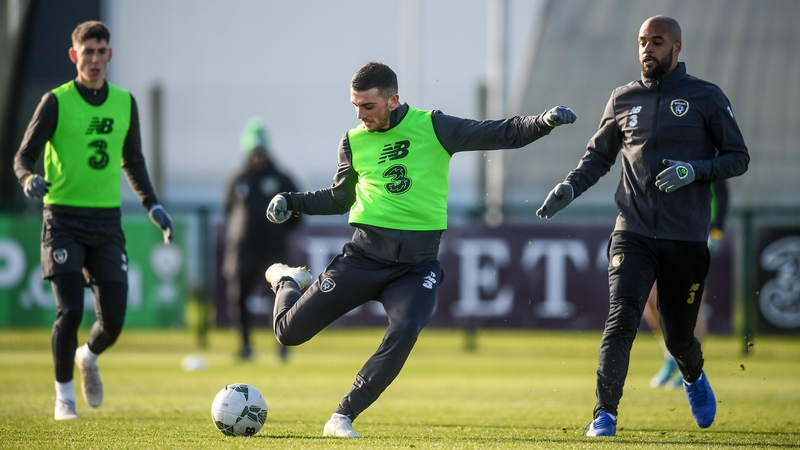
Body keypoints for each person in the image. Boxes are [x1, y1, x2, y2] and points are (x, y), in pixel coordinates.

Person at [264, 61, 576, 438]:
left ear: (393, 100)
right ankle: (286, 279)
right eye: (355, 106)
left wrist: (544, 121)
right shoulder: (353, 141)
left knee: (407, 326)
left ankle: (342, 416)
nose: (360, 115)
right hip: (363, 258)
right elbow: (339, 198)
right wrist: (291, 200)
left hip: (416, 266)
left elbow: (501, 133)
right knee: (288, 333)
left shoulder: (434, 126)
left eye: (368, 106)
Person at [535, 16, 748, 436]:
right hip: (631, 231)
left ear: (677, 47)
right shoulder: (623, 98)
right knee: (622, 318)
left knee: (678, 338)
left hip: (685, 237)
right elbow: (597, 158)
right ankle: (604, 414)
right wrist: (569, 187)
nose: (647, 49)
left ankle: (692, 373)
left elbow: (738, 157)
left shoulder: (706, 97)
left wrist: (694, 171)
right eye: (642, 42)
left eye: (657, 42)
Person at [13, 21, 174, 421]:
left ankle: (88, 356)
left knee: (114, 321)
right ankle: (63, 397)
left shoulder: (125, 103)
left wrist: (152, 205)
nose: (96, 59)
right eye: (89, 52)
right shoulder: (56, 101)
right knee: (68, 311)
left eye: (102, 51)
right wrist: (28, 178)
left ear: (110, 55)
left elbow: (132, 160)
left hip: (106, 223)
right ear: (74, 56)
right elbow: (23, 156)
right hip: (63, 218)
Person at [222, 117, 302, 361]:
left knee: (279, 299)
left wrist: (278, 232)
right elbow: (228, 209)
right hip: (242, 251)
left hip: (272, 253)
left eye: (260, 151)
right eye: (253, 151)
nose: (257, 156)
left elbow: (298, 212)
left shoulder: (282, 179)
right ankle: (245, 346)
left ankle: (282, 345)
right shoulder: (237, 179)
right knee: (238, 299)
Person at [646, 179, 729, 390]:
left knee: (693, 302)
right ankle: (670, 356)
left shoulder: (707, 151)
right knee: (651, 298)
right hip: (667, 231)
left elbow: (722, 193)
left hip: (698, 234)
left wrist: (716, 231)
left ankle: (691, 367)